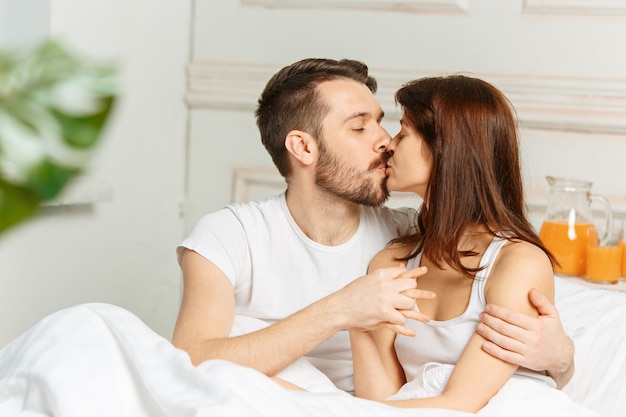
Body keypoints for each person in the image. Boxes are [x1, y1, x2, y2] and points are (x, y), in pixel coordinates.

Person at [172, 58, 574, 394]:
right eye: (360, 126)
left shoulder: (407, 238)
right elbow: (187, 361)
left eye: (387, 125)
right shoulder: (229, 235)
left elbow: (506, 298)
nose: (385, 141)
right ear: (304, 147)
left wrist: (560, 358)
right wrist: (340, 310)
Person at [349, 75, 576, 412]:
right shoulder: (392, 262)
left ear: (447, 149)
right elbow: (381, 401)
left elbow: (459, 404)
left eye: (403, 132)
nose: (389, 145)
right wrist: (357, 322)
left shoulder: (516, 263)